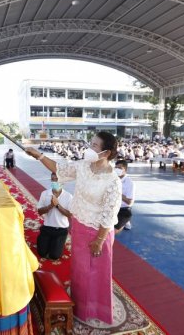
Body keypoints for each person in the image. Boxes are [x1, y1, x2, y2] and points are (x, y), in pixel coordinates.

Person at [25, 131, 122, 325]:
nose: (90, 148)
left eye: (94, 145)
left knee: (95, 273)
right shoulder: (84, 166)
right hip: (78, 225)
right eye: (91, 143)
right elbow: (59, 168)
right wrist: (39, 155)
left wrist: (99, 240)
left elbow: (109, 214)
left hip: (98, 232)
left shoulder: (113, 181)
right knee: (80, 268)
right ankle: (78, 300)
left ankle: (94, 309)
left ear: (106, 152)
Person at [36, 173, 73, 260]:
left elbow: (69, 214)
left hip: (61, 229)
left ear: (63, 181)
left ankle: (58, 242)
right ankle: (43, 239)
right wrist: (50, 206)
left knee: (55, 256)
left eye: (57, 179)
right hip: (47, 227)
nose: (55, 181)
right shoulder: (45, 194)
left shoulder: (68, 196)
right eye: (53, 179)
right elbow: (39, 212)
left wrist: (57, 205)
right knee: (41, 253)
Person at [114, 160, 135, 232]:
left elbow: (129, 202)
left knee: (113, 232)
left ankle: (125, 221)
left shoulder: (129, 182)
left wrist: (117, 193)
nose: (117, 170)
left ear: (125, 170)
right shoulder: (113, 178)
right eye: (116, 168)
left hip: (123, 209)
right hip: (113, 207)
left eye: (120, 168)